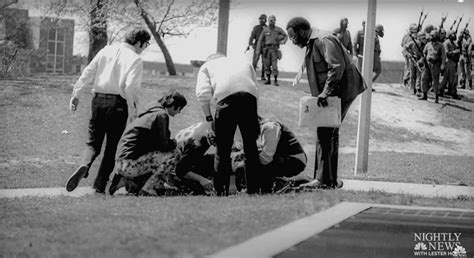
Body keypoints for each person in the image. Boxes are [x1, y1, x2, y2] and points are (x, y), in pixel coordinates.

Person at [65, 28, 151, 193]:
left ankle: (85, 163)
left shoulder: (106, 50)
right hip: (118, 105)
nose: (144, 48)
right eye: (145, 44)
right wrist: (133, 113)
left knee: (92, 143)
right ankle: (99, 186)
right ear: (139, 42)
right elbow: (131, 88)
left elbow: (88, 71)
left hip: (97, 101)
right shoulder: (135, 59)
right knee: (112, 148)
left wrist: (76, 94)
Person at [286, 17, 366, 189]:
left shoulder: (323, 39)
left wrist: (325, 92)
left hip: (343, 89)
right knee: (329, 133)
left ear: (302, 32)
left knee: (324, 132)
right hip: (336, 90)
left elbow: (336, 66)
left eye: (293, 37)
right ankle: (330, 180)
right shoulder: (312, 42)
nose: (292, 41)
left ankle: (322, 180)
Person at [196, 53, 260, 195]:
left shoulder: (207, 66)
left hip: (226, 100)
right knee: (251, 147)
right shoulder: (243, 62)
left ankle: (220, 191)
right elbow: (256, 87)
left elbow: (203, 94)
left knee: (222, 149)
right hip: (249, 98)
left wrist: (209, 119)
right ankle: (254, 191)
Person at [109, 90, 187, 196]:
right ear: (174, 106)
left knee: (160, 154)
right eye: (180, 109)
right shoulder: (161, 115)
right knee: (175, 153)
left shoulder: (150, 112)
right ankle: (149, 188)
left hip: (120, 163)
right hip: (129, 165)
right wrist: (175, 142)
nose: (179, 112)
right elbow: (164, 145)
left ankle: (128, 182)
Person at [256, 117, 307, 192]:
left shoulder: (269, 127)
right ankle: (278, 182)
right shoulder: (263, 128)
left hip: (294, 161)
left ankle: (282, 183)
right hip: (284, 158)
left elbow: (266, 158)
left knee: (256, 167)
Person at [256, 15, 288, 86]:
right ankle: (268, 80)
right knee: (266, 65)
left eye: (272, 20)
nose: (271, 21)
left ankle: (275, 80)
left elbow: (285, 35)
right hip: (266, 50)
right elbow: (260, 40)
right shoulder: (265, 30)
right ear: (268, 21)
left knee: (274, 66)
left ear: (275, 21)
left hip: (274, 50)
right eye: (270, 20)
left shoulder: (278, 29)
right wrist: (258, 50)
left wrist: (283, 41)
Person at [420, 30, 446, 103]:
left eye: (433, 36)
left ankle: (436, 97)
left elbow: (443, 56)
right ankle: (424, 94)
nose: (431, 37)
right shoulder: (428, 45)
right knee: (424, 78)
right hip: (427, 64)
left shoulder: (441, 45)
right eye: (431, 35)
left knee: (435, 81)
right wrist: (422, 61)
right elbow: (424, 53)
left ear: (436, 36)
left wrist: (443, 65)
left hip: (435, 65)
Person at [441, 30, 461, 98]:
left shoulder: (454, 43)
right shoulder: (446, 43)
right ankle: (452, 92)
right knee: (449, 78)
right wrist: (455, 52)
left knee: (450, 78)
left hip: (453, 62)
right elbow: (447, 53)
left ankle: (447, 91)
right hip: (448, 62)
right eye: (453, 34)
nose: (455, 35)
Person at [247, 14, 267, 81]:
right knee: (255, 61)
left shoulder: (268, 28)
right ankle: (253, 76)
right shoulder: (256, 28)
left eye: (263, 19)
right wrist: (250, 43)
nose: (261, 20)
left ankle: (263, 76)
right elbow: (252, 36)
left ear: (265, 20)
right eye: (260, 19)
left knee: (264, 62)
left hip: (265, 46)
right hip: (257, 45)